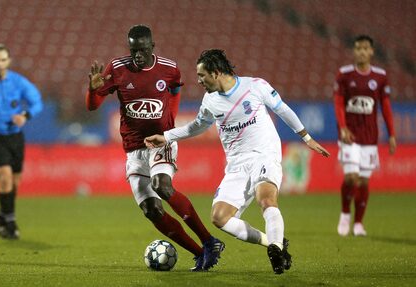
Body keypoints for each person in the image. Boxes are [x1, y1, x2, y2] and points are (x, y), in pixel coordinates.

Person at [145, 49, 330, 274]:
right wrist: (167, 136)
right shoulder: (210, 100)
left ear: (215, 72)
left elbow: (283, 110)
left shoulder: (255, 86)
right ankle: (275, 243)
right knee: (219, 217)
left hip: (264, 154)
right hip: (236, 164)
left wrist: (306, 138)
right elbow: (198, 126)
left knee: (266, 200)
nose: (199, 80)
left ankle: (276, 248)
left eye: (202, 75)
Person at [85, 25, 224, 271]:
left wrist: (169, 123)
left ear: (152, 47)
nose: (137, 55)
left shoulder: (169, 68)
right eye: (133, 50)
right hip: (133, 150)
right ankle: (201, 253)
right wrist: (93, 90)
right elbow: (92, 106)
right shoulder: (117, 69)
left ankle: (209, 240)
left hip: (160, 142)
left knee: (162, 185)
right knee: (151, 209)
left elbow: (176, 88)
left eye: (142, 50)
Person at [334, 35, 396, 237]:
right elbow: (338, 103)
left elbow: (386, 108)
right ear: (354, 51)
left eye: (365, 48)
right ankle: (345, 213)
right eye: (358, 48)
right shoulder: (344, 75)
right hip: (349, 136)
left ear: (371, 51)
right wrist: (342, 127)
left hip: (370, 137)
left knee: (363, 181)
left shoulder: (380, 76)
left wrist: (392, 134)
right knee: (351, 177)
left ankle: (358, 223)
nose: (361, 52)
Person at [0, 44, 43, 239]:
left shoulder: (18, 82)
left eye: (3, 59)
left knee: (14, 183)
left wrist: (25, 115)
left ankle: (1, 219)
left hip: (15, 137)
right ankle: (10, 223)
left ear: (8, 61)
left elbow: (37, 101)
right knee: (5, 176)